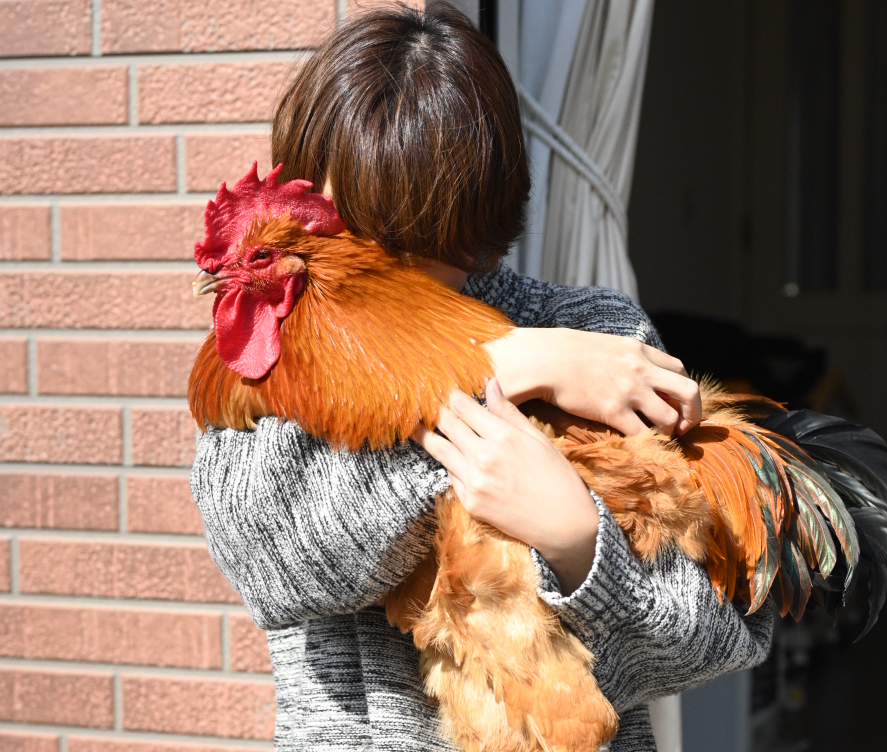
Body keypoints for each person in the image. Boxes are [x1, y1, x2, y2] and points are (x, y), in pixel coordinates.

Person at [190, 3, 773, 750]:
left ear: (478, 207)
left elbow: (713, 640)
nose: (377, 254)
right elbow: (276, 563)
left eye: (415, 230)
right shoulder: (283, 347)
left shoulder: (600, 338)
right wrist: (512, 365)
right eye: (354, 219)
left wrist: (577, 541)